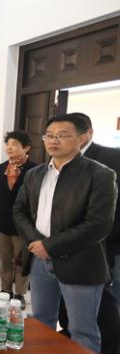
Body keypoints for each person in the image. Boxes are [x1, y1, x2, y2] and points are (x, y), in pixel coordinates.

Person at [13, 113, 117, 353]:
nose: (53, 140)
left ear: (82, 138)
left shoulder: (100, 174)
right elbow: (19, 210)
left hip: (80, 262)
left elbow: (98, 224)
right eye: (49, 135)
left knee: (82, 330)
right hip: (39, 260)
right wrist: (36, 242)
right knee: (41, 322)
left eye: (62, 135)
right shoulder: (35, 174)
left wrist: (50, 246)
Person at [0, 130, 37, 308]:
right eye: (8, 144)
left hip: (23, 223)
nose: (9, 148)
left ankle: (20, 293)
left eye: (14, 144)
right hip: (0, 220)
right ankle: (5, 290)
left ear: (26, 148)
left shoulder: (35, 170)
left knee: (21, 260)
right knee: (5, 258)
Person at [74, 112, 120, 301]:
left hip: (109, 240)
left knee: (110, 296)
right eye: (52, 135)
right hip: (71, 244)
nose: (57, 140)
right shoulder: (57, 162)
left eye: (65, 134)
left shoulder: (113, 157)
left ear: (88, 133)